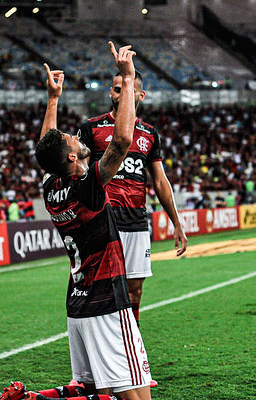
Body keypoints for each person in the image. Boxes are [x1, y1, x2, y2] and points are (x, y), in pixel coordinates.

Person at [4, 43, 151, 400]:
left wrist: (53, 99)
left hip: (77, 304)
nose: (76, 136)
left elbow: (47, 148)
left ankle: (33, 398)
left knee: (89, 389)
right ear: (73, 155)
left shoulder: (51, 185)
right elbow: (122, 140)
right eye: (72, 138)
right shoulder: (87, 186)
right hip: (106, 301)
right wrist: (128, 79)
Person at [76, 64, 187, 327]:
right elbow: (79, 176)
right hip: (102, 221)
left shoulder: (149, 134)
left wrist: (177, 223)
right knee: (100, 290)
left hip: (136, 222)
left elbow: (160, 182)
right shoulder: (91, 129)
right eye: (117, 89)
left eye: (128, 89)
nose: (122, 94)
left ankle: (130, 343)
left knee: (135, 291)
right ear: (111, 93)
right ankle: (104, 345)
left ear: (141, 95)